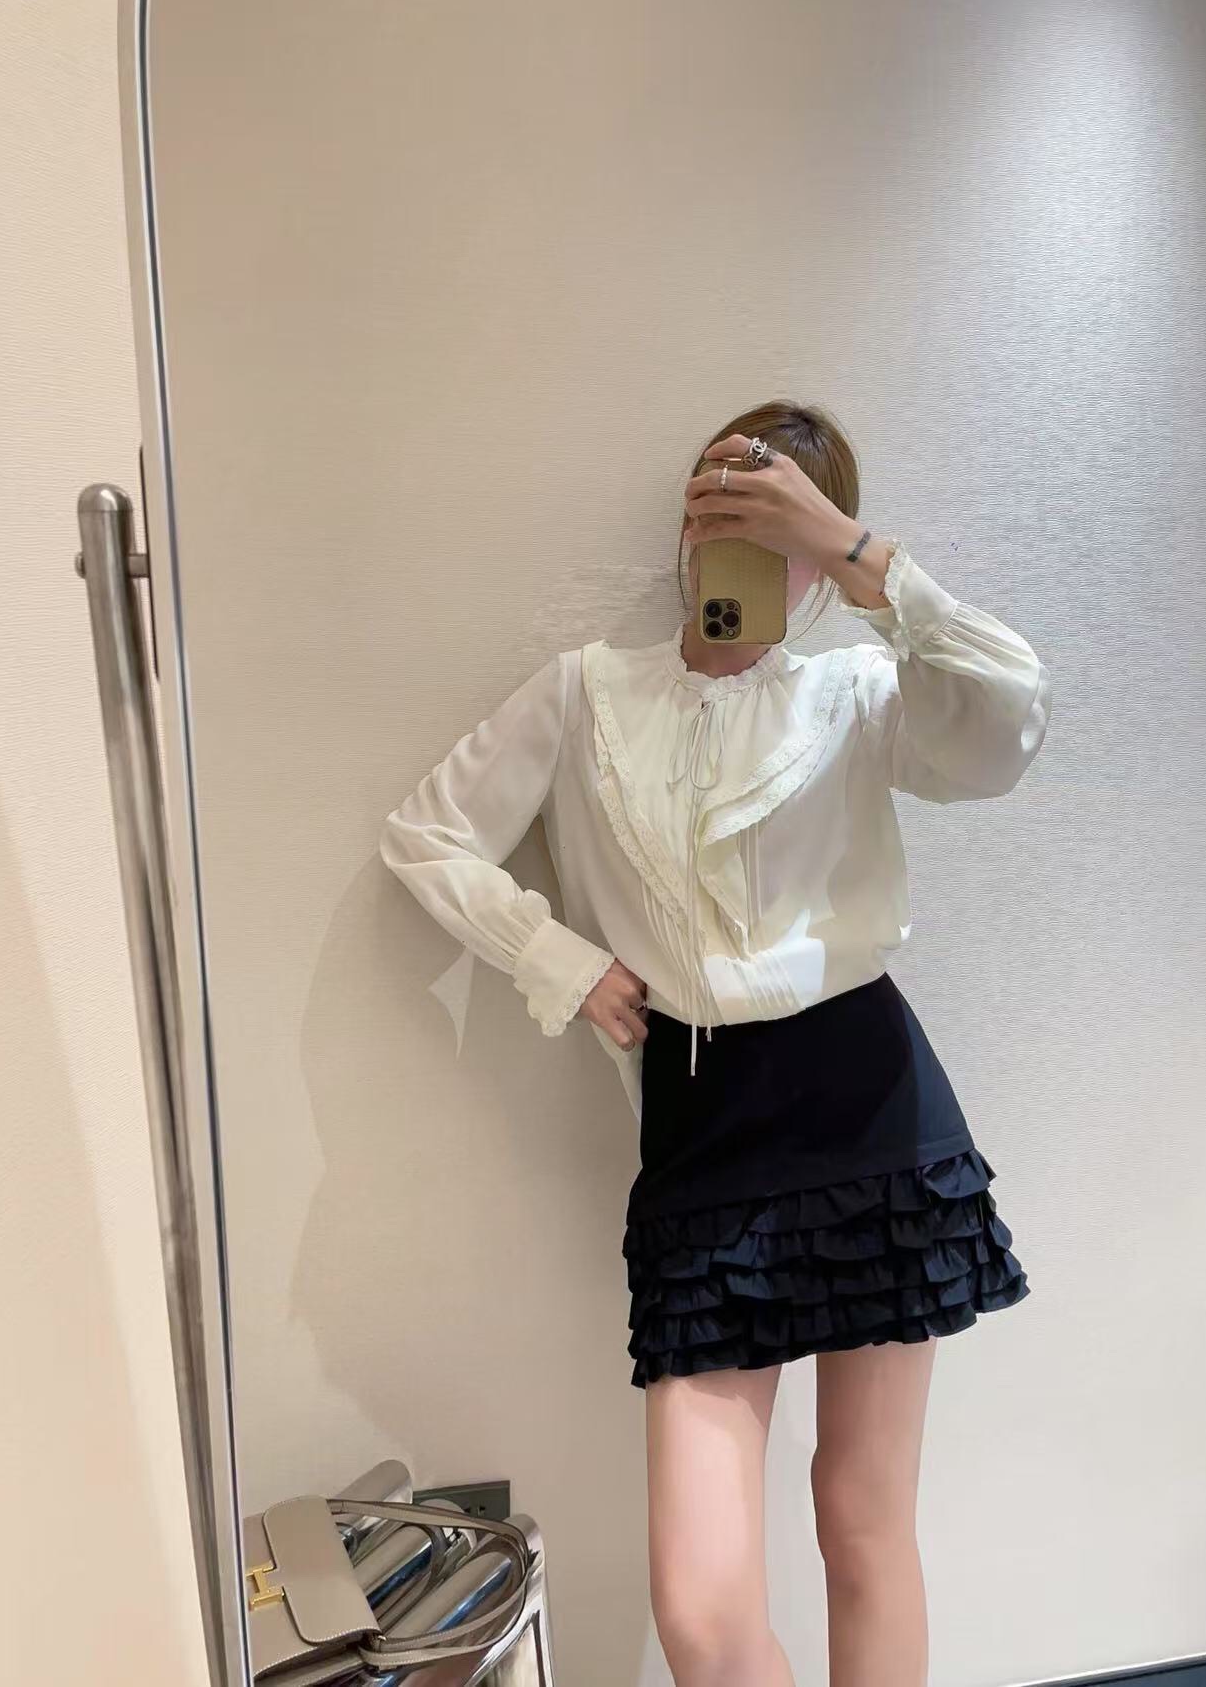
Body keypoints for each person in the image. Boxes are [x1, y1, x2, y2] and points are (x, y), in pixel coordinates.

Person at [379, 399, 1052, 1687]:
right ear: (685, 524)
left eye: (780, 523)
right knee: (699, 1606)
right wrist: (563, 961)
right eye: (723, 504)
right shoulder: (588, 692)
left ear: (819, 558)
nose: (743, 539)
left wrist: (862, 556)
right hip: (703, 1122)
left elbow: (1008, 724)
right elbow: (427, 835)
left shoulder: (857, 692)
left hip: (873, 1113)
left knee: (863, 1529)